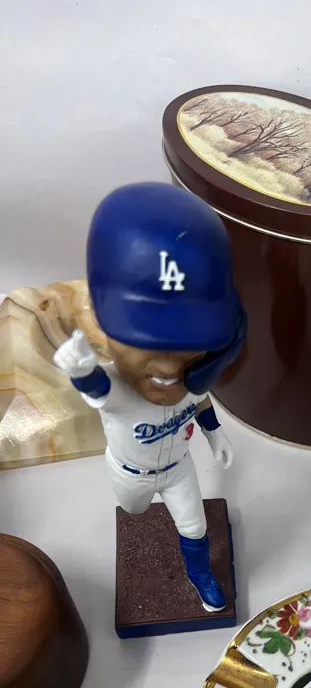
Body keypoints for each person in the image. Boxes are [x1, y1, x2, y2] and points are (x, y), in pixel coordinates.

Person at [54, 182, 246, 612]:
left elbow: (199, 398)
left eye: (187, 341)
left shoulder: (194, 376)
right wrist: (81, 370)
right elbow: (100, 390)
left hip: (179, 468)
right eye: (148, 341)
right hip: (131, 474)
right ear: (100, 315)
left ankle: (200, 574)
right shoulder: (119, 388)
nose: (168, 365)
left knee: (194, 527)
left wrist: (215, 434)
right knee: (135, 513)